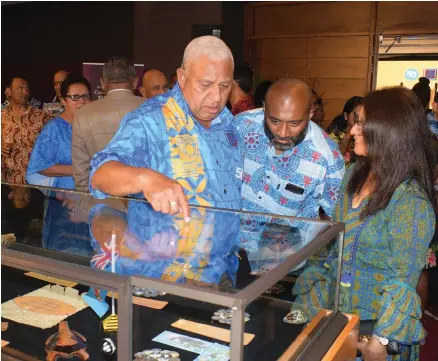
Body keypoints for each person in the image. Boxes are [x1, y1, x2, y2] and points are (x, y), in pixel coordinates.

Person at [292, 87, 437, 361]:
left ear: (388, 132)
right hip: (338, 320)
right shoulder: (353, 176)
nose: (352, 131)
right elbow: (331, 247)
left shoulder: (410, 202)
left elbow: (404, 282)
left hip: (376, 333)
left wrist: (381, 340)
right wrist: (311, 301)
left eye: (361, 124)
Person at [90, 36, 243, 218]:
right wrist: (146, 179)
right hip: (165, 244)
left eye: (225, 86)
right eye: (206, 84)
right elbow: (100, 175)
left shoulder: (228, 122)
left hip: (225, 245)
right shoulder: (150, 119)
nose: (217, 97)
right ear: (182, 77)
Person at [235, 78, 345, 219]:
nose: (283, 133)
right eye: (275, 121)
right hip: (235, 237)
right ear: (264, 108)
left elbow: (336, 217)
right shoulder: (241, 127)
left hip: (292, 239)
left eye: (294, 123)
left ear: (311, 113)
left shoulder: (327, 157)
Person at [26, 75, 92, 253]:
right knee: (66, 260)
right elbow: (37, 168)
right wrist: (78, 170)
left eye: (86, 96)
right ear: (63, 100)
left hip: (92, 207)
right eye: (75, 97)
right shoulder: (54, 129)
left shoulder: (93, 126)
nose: (82, 102)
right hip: (63, 207)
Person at [72, 56, 145, 192]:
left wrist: (87, 200)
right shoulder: (153, 108)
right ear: (135, 82)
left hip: (100, 202)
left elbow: (81, 170)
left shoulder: (82, 114)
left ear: (102, 83)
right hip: (145, 202)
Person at [1, 76, 50, 184]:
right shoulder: (1, 117)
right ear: (9, 92)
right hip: (7, 183)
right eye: (20, 88)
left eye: (27, 88)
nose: (25, 92)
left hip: (37, 182)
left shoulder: (42, 117)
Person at [326, 96, 363, 165]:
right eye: (357, 115)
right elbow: (333, 159)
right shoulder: (334, 133)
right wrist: (348, 135)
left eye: (363, 116)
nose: (359, 119)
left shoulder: (364, 132)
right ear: (346, 116)